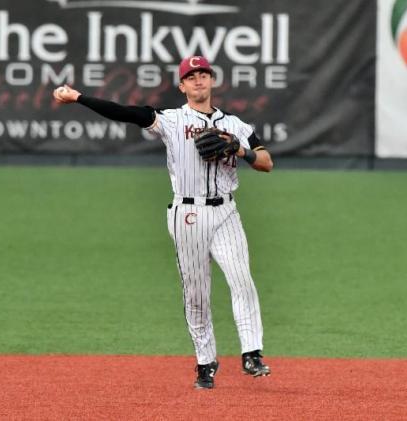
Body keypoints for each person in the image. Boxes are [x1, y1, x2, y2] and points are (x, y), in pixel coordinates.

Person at [53, 55, 273, 389]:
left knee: (242, 279)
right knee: (196, 293)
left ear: (212, 80)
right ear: (183, 85)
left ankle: (252, 353)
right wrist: (79, 98)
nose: (198, 80)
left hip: (227, 211)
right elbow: (124, 112)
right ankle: (205, 362)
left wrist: (241, 152)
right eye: (191, 76)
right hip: (188, 214)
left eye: (203, 74)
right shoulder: (170, 120)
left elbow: (267, 162)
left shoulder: (237, 126)